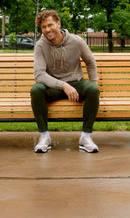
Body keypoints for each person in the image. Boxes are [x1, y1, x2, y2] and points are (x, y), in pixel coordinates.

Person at [30, 10, 100, 153]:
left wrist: (94, 82)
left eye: (50, 25)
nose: (47, 30)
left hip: (76, 84)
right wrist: (63, 85)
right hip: (53, 87)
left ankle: (85, 137)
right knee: (36, 90)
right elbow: (39, 74)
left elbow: (90, 62)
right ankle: (44, 137)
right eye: (43, 27)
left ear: (58, 23)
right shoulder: (40, 46)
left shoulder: (76, 41)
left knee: (93, 90)